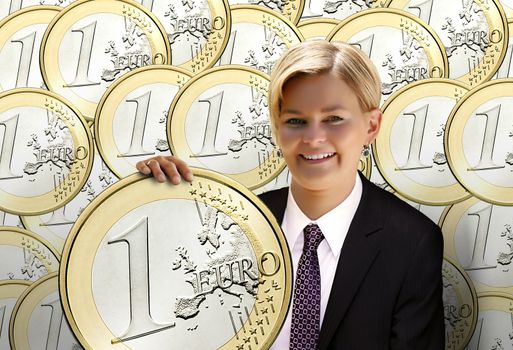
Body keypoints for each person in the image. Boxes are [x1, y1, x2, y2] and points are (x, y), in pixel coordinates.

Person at [136, 40, 445, 349]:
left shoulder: (411, 242)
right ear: (276, 128)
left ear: (371, 125)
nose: (313, 138)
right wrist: (158, 206)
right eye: (295, 121)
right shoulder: (234, 226)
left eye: (333, 119)